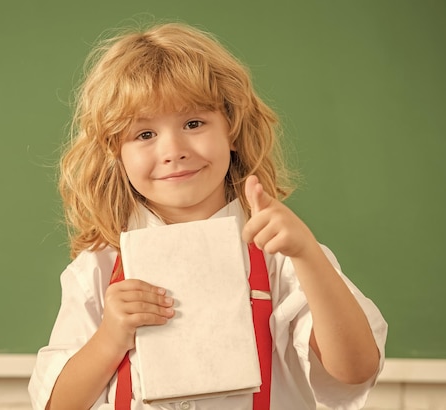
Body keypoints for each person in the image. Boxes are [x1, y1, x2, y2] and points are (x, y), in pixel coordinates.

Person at [29, 22, 387, 410]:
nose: (173, 150)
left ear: (231, 129)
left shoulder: (283, 258)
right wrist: (110, 337)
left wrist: (307, 256)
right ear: (116, 151)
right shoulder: (100, 267)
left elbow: (356, 369)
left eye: (193, 123)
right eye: (144, 134)